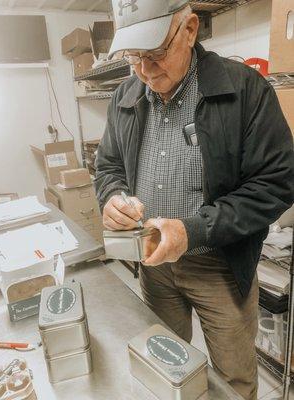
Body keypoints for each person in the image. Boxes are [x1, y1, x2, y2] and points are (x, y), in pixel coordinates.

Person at [94, 1, 294, 399]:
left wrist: (194, 230)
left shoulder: (245, 89)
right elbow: (109, 166)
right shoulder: (125, 96)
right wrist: (113, 196)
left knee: (235, 379)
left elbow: (276, 182)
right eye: (135, 58)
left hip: (221, 267)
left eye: (155, 54)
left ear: (189, 29)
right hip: (153, 264)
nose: (146, 70)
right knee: (167, 367)